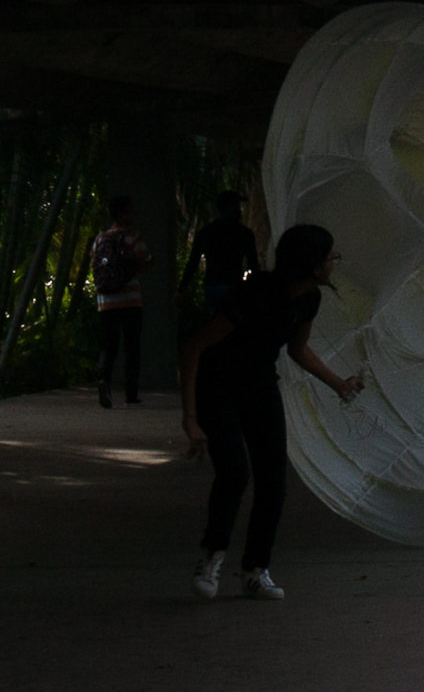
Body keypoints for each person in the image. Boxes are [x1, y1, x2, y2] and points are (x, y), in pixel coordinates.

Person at [180, 223, 364, 600]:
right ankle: (212, 556)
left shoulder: (309, 298)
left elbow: (298, 350)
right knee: (233, 472)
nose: (334, 263)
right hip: (218, 387)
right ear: (313, 264)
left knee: (273, 480)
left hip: (260, 386)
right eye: (331, 257)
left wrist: (339, 385)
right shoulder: (255, 293)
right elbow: (196, 348)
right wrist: (191, 418)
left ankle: (255, 569)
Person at [89, 194, 152, 408]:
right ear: (123, 213)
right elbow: (143, 263)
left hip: (106, 301)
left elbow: (95, 263)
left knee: (108, 345)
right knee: (132, 347)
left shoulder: (100, 239)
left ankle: (103, 380)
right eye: (130, 210)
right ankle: (131, 393)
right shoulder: (133, 237)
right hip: (131, 300)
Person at [184, 191, 260, 314]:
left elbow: (193, 263)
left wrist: (182, 289)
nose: (239, 210)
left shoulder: (206, 232)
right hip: (233, 287)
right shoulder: (244, 233)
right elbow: (254, 264)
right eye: (236, 206)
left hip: (213, 287)